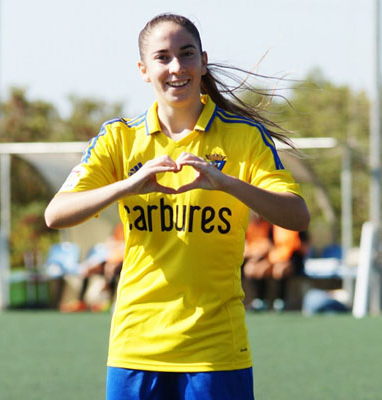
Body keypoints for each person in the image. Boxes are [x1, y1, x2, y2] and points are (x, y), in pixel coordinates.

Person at [44, 13, 309, 400]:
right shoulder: (119, 138)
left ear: (203, 61)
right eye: (162, 57)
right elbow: (56, 214)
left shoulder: (244, 137)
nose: (176, 68)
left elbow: (296, 215)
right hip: (136, 346)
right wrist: (127, 186)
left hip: (216, 350)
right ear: (143, 69)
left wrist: (226, 183)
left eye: (186, 55)